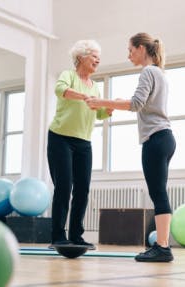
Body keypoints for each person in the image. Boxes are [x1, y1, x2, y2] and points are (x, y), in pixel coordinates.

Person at [86, 32, 176, 262]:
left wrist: (103, 102)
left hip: (155, 139)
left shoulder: (148, 71)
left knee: (158, 194)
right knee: (159, 192)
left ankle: (163, 247)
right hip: (164, 137)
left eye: (130, 50)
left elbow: (136, 104)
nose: (128, 55)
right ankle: (163, 246)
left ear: (142, 48)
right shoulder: (159, 73)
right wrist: (116, 101)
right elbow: (143, 104)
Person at [47, 39, 111, 250]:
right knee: (64, 187)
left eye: (98, 56)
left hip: (84, 142)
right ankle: (58, 235)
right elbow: (60, 89)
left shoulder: (96, 86)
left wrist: (107, 110)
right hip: (60, 138)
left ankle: (76, 234)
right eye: (94, 55)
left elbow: (98, 113)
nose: (97, 59)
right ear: (81, 57)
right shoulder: (69, 75)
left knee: (82, 190)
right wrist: (83, 96)